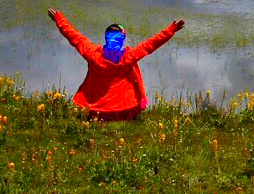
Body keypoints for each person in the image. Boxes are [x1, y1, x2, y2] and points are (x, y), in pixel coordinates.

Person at [48, 11, 184, 121]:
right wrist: (171, 30)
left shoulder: (93, 55)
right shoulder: (129, 57)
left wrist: (59, 20)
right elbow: (151, 44)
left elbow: (75, 37)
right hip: (124, 110)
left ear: (106, 37)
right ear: (122, 39)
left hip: (96, 111)